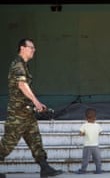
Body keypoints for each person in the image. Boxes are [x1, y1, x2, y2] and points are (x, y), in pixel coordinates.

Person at [0, 38, 63, 178]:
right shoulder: (18, 65)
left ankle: (44, 168)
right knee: (7, 144)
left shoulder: (23, 65)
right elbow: (22, 85)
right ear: (22, 48)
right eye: (31, 47)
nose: (34, 50)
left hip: (26, 112)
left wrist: (34, 104)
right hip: (17, 114)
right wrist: (36, 101)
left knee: (35, 140)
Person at [75, 108, 103, 174]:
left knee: (85, 159)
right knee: (97, 159)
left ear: (86, 118)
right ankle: (98, 170)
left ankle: (83, 170)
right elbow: (100, 132)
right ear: (95, 117)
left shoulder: (84, 125)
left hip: (87, 146)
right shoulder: (97, 125)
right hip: (95, 146)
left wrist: (83, 133)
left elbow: (81, 133)